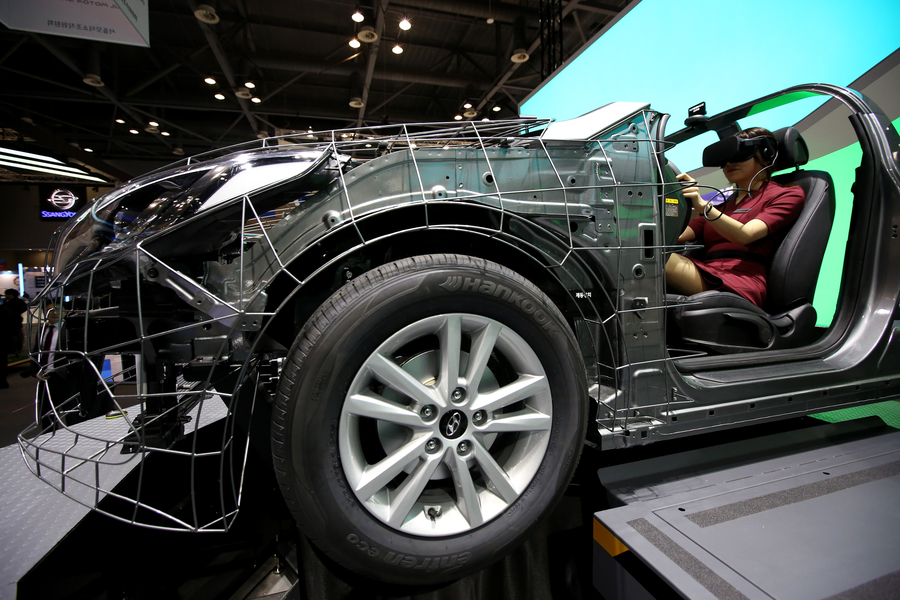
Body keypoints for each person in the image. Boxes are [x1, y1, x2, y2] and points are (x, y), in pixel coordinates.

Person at [665, 127, 805, 308]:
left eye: (740, 154)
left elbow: (745, 235)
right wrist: (671, 201)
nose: (730, 162)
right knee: (644, 254)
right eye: (725, 158)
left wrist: (702, 206)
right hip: (707, 271)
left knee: (654, 259)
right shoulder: (721, 205)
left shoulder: (787, 195)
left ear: (765, 153)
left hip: (742, 282)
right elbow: (675, 236)